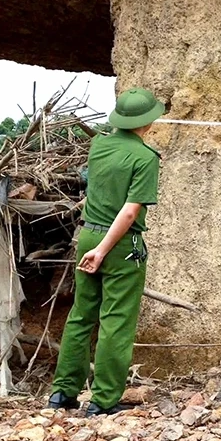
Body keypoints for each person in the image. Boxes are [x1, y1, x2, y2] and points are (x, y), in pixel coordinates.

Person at [49, 88, 164, 416]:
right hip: (119, 245)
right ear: (148, 121)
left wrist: (94, 246)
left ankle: (62, 394)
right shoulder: (145, 158)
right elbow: (129, 213)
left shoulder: (99, 144)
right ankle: (103, 400)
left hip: (87, 235)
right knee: (116, 320)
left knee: (81, 314)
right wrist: (103, 250)